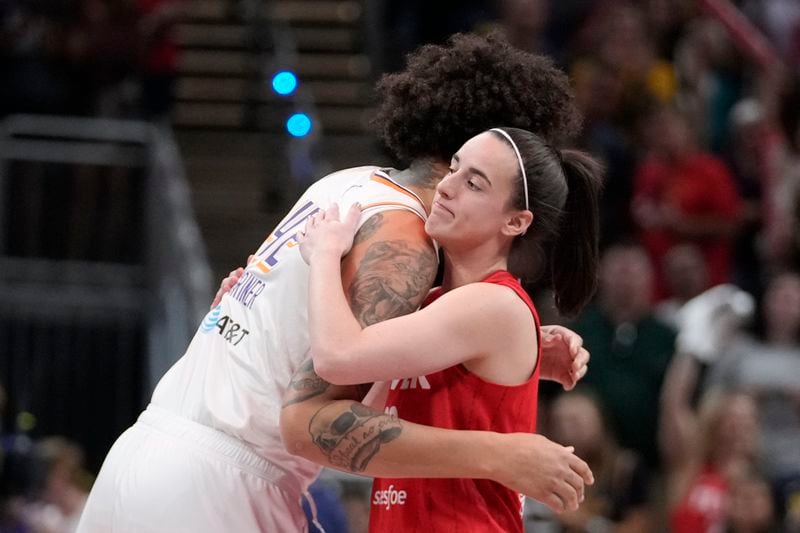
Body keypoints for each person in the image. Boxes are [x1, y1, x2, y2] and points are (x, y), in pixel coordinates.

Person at [77, 34, 593, 533]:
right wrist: (500, 452)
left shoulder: (346, 183)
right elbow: (319, 402)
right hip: (223, 481)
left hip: (146, 450)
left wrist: (517, 353)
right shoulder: (407, 236)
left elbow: (325, 341)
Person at [283, 127, 603, 532]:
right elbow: (363, 420)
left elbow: (336, 358)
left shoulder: (494, 303)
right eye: (454, 168)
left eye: (474, 183)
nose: (447, 186)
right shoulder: (437, 306)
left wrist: (327, 254)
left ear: (515, 221)